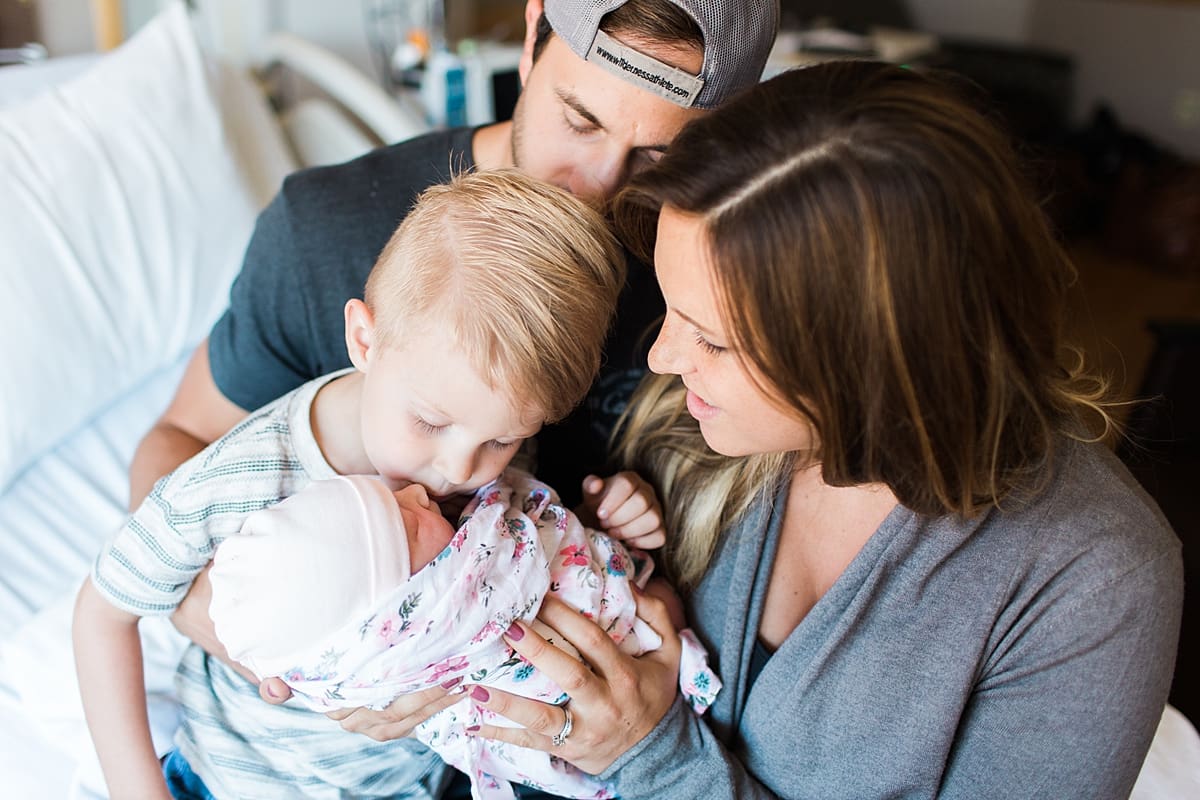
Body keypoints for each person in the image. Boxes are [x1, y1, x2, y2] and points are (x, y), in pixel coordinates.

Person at [350, 62, 1181, 798]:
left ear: (870, 362)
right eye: (673, 311)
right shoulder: (694, 427)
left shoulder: (1090, 581)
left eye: (713, 339)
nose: (666, 359)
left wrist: (652, 760)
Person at [72, 169, 661, 800]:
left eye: (501, 441)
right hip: (234, 783)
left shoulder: (485, 424)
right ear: (364, 339)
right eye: (430, 422)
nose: (462, 471)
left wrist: (608, 520)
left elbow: (536, 556)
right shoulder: (248, 477)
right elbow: (100, 616)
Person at [127, 0, 782, 511]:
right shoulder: (324, 230)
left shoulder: (708, 279)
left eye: (657, 155)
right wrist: (272, 658)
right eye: (580, 121)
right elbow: (178, 447)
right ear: (532, 39)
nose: (601, 184)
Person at [203, 469, 719, 800]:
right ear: (412, 601)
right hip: (579, 714)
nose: (417, 493)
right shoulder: (423, 628)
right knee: (655, 615)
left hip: (625, 702)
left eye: (394, 496)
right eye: (406, 524)